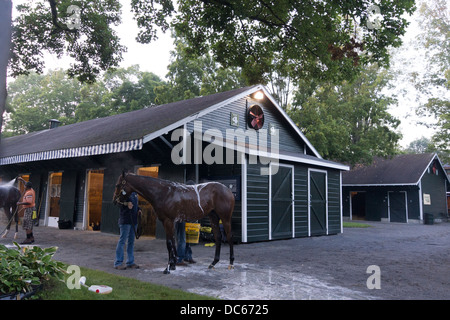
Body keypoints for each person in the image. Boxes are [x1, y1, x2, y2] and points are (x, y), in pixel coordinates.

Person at [114, 192, 141, 270]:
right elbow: (117, 202)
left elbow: (135, 205)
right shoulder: (123, 192)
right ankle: (118, 263)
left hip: (134, 221)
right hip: (125, 220)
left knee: (131, 242)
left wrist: (139, 209)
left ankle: (130, 262)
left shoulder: (135, 193)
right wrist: (126, 204)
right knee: (122, 241)